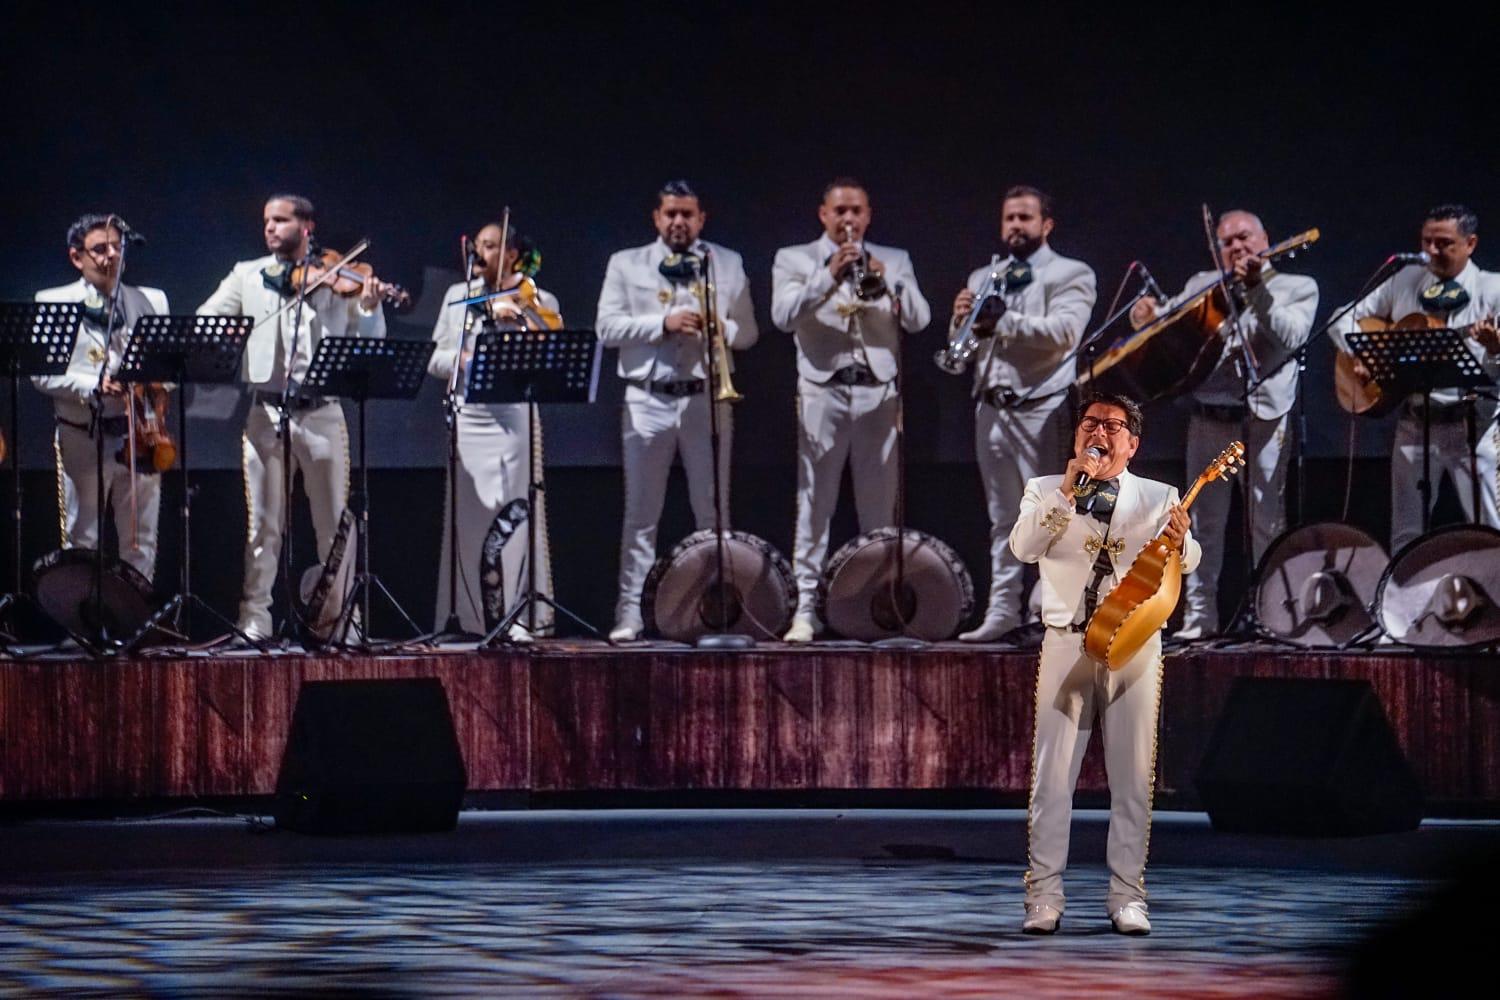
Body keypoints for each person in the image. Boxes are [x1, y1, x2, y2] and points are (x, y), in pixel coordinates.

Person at [1009, 392, 1198, 936]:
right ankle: (1043, 896)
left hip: (1134, 642)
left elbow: (1188, 560)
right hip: (1066, 641)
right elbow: (1025, 547)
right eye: (1090, 424)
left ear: (1132, 443)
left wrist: (1182, 545)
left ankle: (1128, 896)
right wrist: (1067, 494)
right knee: (1052, 778)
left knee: (1133, 777)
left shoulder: (1159, 495)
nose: (1100, 434)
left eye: (1113, 426)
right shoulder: (1045, 490)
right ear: (1076, 437)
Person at [198, 194, 390, 641]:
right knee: (264, 524)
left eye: (280, 220)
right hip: (265, 411)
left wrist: (370, 304)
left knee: (333, 527)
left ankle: (341, 620)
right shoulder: (247, 275)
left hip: (322, 412)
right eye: (266, 220)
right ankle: (255, 618)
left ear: (306, 227)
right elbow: (207, 316)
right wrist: (225, 329)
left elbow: (369, 342)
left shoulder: (338, 275)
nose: (269, 228)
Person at [1129, 210, 1317, 638]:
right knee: (1202, 526)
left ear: (1265, 238)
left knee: (1267, 522)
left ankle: (1276, 616)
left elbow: (1290, 337)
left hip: (1263, 420)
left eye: (1244, 237)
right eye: (1226, 242)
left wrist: (1256, 291)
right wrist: (1148, 318)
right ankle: (1200, 619)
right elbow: (1167, 329)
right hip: (1209, 418)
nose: (1236, 247)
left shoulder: (1296, 287)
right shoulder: (1202, 284)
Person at [595, 180, 758, 642]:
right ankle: (630, 613)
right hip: (647, 398)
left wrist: (716, 325)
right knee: (641, 513)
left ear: (701, 218)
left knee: (712, 510)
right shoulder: (626, 263)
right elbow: (606, 328)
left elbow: (746, 333)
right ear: (656, 217)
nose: (678, 222)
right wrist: (661, 324)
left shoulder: (726, 261)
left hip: (706, 395)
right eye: (670, 214)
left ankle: (716, 607)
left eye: (687, 214)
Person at [771, 178, 931, 642]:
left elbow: (919, 320)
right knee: (814, 504)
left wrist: (890, 281)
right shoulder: (794, 258)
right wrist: (827, 276)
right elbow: (782, 317)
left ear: (868, 215)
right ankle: (806, 610)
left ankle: (873, 604)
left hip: (878, 393)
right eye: (839, 211)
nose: (848, 220)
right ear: (823, 214)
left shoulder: (895, 259)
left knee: (878, 507)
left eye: (856, 211)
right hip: (822, 391)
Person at [947, 186, 1097, 642]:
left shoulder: (1073, 273)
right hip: (992, 409)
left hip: (1041, 410)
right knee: (1002, 519)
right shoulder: (984, 274)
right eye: (1009, 218)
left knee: (1052, 516)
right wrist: (960, 320)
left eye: (1025, 218)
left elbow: (1065, 333)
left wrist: (1002, 322)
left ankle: (1051, 612)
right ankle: (1003, 610)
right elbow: (969, 346)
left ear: (1046, 225)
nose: (1015, 226)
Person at [1331, 204, 1500, 553]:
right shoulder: (1407, 279)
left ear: (1470, 243)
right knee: (1407, 533)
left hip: (1473, 426)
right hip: (1414, 422)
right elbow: (1341, 318)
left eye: (1444, 243)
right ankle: (1404, 606)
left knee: (1490, 528)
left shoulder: (1493, 289)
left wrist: (1495, 349)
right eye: (1427, 242)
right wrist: (1364, 354)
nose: (1432, 252)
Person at [428, 222, 558, 640]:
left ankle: (519, 613)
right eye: (479, 246)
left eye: (491, 246)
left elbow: (553, 348)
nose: (481, 253)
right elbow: (436, 358)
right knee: (470, 516)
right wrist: (466, 356)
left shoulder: (537, 297)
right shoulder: (458, 297)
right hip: (470, 414)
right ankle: (470, 616)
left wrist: (519, 316)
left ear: (514, 255)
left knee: (516, 512)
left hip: (514, 415)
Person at [34, 213, 167, 581]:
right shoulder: (52, 301)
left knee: (140, 539)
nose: (111, 255)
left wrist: (155, 391)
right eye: (100, 249)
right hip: (84, 433)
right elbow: (42, 374)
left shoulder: (151, 299)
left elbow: (164, 369)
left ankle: (132, 627)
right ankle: (82, 631)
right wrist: (92, 383)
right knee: (83, 535)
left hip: (138, 435)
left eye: (117, 247)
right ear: (77, 257)